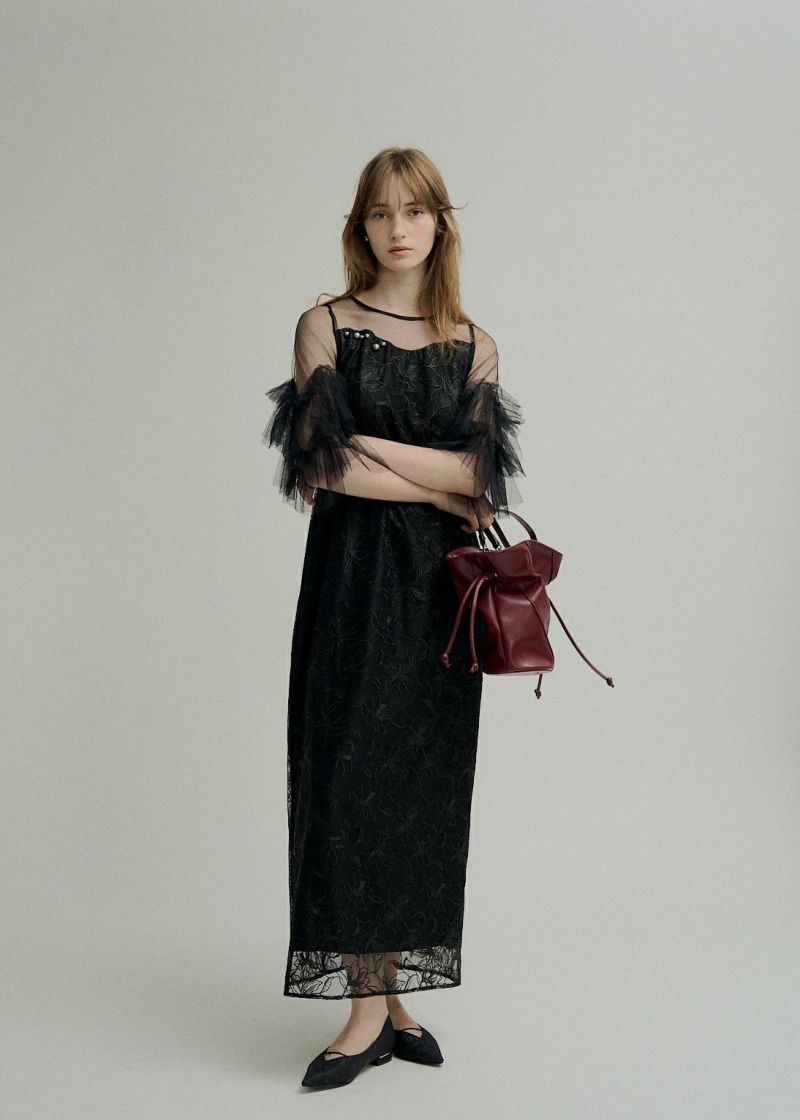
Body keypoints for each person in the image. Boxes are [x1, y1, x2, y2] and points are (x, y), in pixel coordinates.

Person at [262, 147, 526, 1089]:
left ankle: (392, 1001)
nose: (398, 228)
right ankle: (367, 1009)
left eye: (414, 211)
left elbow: (478, 475)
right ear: (360, 226)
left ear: (440, 223)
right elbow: (322, 466)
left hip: (439, 597)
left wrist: (382, 452)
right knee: (344, 777)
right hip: (349, 584)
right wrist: (432, 479)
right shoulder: (325, 325)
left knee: (419, 786)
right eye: (380, 212)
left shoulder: (472, 343)